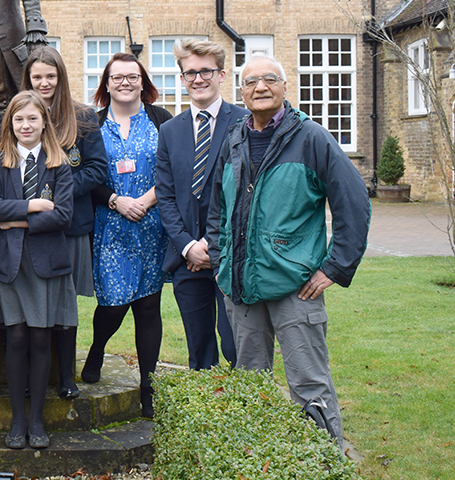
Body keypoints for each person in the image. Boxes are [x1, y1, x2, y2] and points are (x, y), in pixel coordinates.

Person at [207, 54, 370, 449]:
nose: (260, 87)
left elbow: (353, 202)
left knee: (308, 380)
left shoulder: (310, 138)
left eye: (269, 79)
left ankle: (325, 462)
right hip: (242, 285)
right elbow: (217, 211)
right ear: (241, 92)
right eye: (250, 82)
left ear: (284, 87)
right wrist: (220, 260)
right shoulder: (234, 140)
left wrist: (335, 267)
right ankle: (258, 459)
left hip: (296, 287)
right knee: (250, 382)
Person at [0, 90, 74, 450]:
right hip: (12, 266)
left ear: (44, 122)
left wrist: (17, 221)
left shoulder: (58, 163)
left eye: (32, 119)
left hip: (46, 266)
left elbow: (64, 215)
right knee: (16, 339)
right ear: (10, 124)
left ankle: (37, 421)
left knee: (40, 339)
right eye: (19, 119)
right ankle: (17, 421)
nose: (25, 125)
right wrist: (34, 205)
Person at [83, 52, 172, 419]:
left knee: (148, 306)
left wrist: (146, 201)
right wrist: (118, 201)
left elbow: (172, 170)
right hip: (110, 224)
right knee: (113, 302)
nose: (124, 82)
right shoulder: (92, 124)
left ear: (142, 81)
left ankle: (148, 386)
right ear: (106, 84)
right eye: (116, 77)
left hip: (152, 227)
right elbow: (86, 177)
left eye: (131, 76)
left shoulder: (161, 120)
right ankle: (98, 346)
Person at [21, 46, 107, 399]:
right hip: (28, 229)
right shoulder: (21, 114)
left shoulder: (83, 117)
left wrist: (61, 193)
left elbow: (98, 169)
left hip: (69, 228)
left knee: (64, 303)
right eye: (37, 77)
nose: (44, 83)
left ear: (61, 78)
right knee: (31, 300)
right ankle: (31, 373)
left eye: (50, 77)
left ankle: (66, 375)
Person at [155, 39, 246, 370]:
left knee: (238, 346)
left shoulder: (244, 123)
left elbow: (247, 193)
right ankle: (206, 414)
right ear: (182, 78)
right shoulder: (169, 131)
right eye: (190, 72)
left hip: (232, 257)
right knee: (200, 349)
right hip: (186, 260)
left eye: (205, 71)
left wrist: (211, 245)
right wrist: (188, 246)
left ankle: (245, 413)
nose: (198, 79)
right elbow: (165, 196)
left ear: (221, 74)